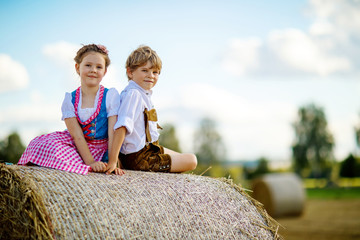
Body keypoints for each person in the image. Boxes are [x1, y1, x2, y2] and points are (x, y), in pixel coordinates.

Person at [18, 44, 124, 175]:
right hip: (77, 147)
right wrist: (90, 162)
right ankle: (82, 165)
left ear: (105, 72)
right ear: (77, 68)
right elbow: (77, 136)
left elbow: (113, 132)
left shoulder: (110, 96)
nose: (93, 70)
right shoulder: (70, 99)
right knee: (38, 144)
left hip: (102, 149)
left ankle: (78, 166)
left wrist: (113, 162)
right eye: (88, 65)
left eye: (99, 67)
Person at [108, 45, 197, 173]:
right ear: (130, 72)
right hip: (139, 158)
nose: (151, 75)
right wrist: (113, 161)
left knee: (182, 157)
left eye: (155, 72)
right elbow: (122, 126)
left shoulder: (142, 94)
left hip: (150, 149)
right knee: (192, 160)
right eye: (144, 70)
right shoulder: (134, 94)